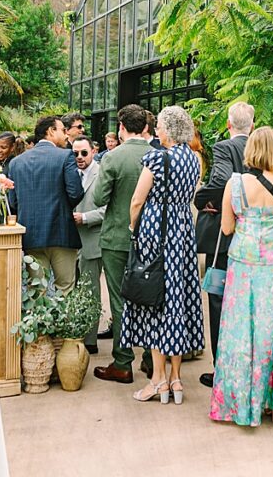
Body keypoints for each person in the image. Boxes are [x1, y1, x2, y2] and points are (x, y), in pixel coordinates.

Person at [209, 126, 273, 426]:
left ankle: (241, 402)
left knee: (242, 332)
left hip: (244, 262)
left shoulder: (235, 184)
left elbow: (226, 228)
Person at [124, 105, 204, 404]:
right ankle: (176, 379)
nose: (155, 129)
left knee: (155, 302)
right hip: (182, 233)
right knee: (178, 300)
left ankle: (157, 381)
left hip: (155, 233)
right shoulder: (194, 160)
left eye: (158, 125)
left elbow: (136, 200)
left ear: (167, 130)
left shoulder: (156, 158)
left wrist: (134, 228)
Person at [92, 104, 156, 384]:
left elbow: (98, 198)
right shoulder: (158, 155)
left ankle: (122, 360)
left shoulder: (113, 157)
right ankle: (153, 359)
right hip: (152, 237)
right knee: (153, 298)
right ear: (144, 127)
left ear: (121, 127)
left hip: (118, 237)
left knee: (120, 300)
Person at [193, 101, 253, 388]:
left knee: (218, 300)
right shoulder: (261, 147)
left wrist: (203, 200)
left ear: (229, 125)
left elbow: (220, 180)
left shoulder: (224, 148)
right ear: (252, 125)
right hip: (254, 235)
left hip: (225, 237)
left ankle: (222, 369)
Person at [7, 116, 85, 294]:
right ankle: (62, 323)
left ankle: (39, 323)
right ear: (50, 131)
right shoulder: (65, 155)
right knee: (64, 289)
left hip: (31, 234)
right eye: (63, 130)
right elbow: (76, 193)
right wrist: (63, 208)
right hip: (61, 231)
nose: (66, 135)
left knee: (37, 293)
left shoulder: (16, 162)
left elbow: (13, 202)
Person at [71, 135, 107, 355]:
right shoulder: (69, 172)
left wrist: (85, 217)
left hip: (94, 238)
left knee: (92, 290)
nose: (80, 157)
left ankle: (90, 339)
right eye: (75, 153)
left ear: (93, 151)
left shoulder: (103, 171)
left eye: (84, 153)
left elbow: (109, 209)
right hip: (72, 241)